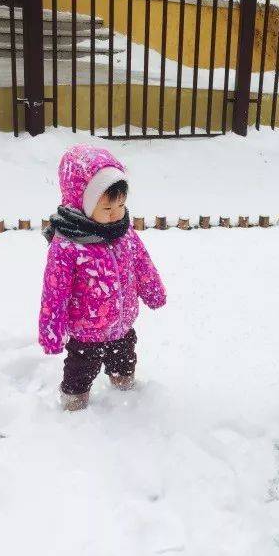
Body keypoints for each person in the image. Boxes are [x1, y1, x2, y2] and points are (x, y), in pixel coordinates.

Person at [39, 145, 166, 411]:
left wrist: (153, 291)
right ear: (82, 203)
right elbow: (55, 293)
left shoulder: (124, 234)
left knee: (125, 363)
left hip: (122, 326)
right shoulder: (68, 246)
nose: (116, 213)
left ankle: (125, 392)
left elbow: (142, 264)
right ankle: (73, 406)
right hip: (85, 335)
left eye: (121, 204)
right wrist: (52, 333)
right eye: (107, 207)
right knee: (79, 375)